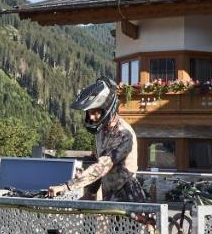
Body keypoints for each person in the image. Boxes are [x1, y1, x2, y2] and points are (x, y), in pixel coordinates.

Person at [47, 75, 147, 203]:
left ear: (107, 109)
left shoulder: (124, 134)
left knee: (145, 222)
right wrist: (91, 193)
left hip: (129, 198)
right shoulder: (102, 132)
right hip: (109, 197)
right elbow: (100, 166)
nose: (92, 117)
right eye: (89, 112)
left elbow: (103, 166)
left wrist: (67, 186)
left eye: (95, 112)